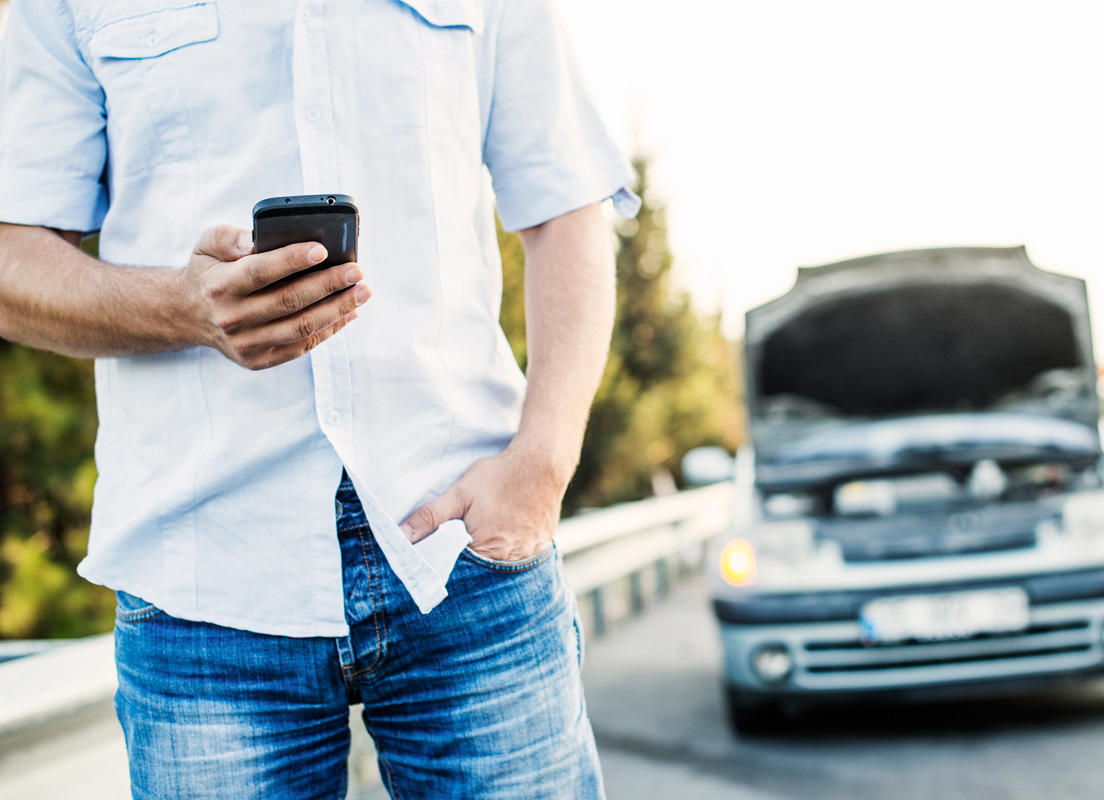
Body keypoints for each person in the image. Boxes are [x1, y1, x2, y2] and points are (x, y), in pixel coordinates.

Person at [0, 1, 638, 797]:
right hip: (200, 582)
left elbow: (567, 202)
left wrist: (541, 465)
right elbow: (11, 258)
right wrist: (183, 308)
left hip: (466, 549)